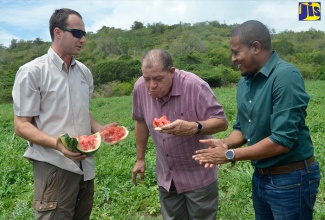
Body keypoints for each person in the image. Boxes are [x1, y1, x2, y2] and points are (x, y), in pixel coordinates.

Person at [193, 20, 321, 220]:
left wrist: (229, 154)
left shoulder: (285, 76)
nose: (233, 59)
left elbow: (281, 141)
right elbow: (243, 128)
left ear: (255, 47)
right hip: (261, 176)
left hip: (291, 178)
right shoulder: (245, 82)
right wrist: (225, 142)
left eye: (236, 52)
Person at [12, 8, 115, 219]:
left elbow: (82, 111)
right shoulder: (32, 72)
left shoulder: (84, 72)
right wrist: (57, 143)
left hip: (86, 166)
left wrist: (100, 129)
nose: (83, 39)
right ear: (58, 32)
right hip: (54, 165)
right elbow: (21, 125)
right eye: (77, 33)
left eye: (84, 34)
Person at [131, 49, 228, 219]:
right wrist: (140, 159)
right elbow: (140, 122)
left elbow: (221, 122)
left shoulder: (195, 86)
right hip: (167, 176)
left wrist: (194, 127)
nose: (152, 85)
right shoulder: (140, 88)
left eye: (158, 79)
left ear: (172, 72)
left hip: (198, 175)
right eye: (147, 79)